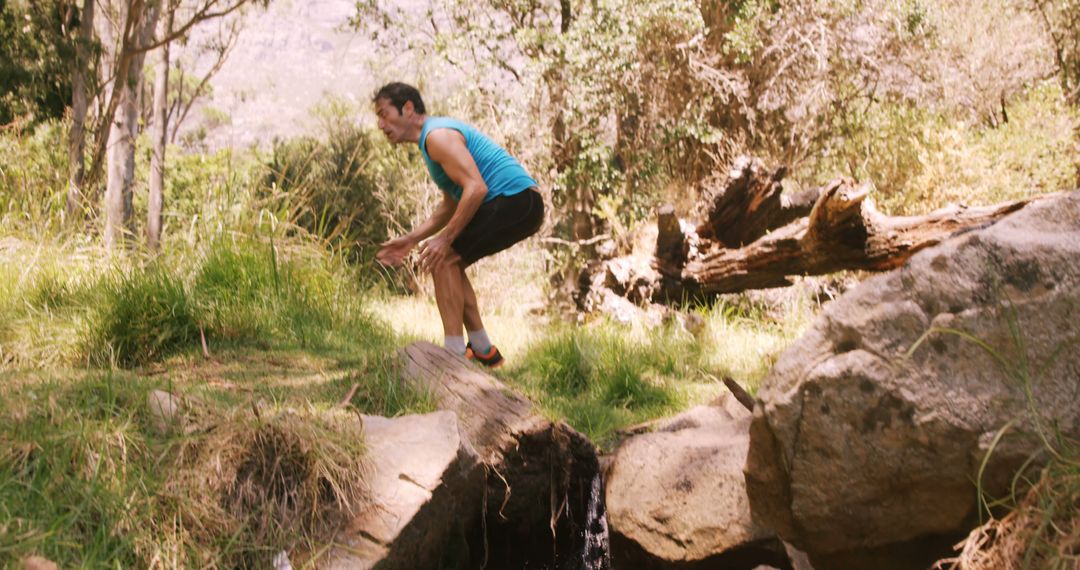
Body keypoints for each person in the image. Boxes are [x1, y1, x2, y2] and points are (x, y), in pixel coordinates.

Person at [372, 82, 544, 367]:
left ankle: (452, 357)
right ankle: (483, 349)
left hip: (514, 200)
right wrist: (411, 239)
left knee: (443, 258)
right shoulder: (432, 140)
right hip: (519, 202)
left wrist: (445, 239)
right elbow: (450, 205)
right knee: (448, 259)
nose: (380, 124)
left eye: (383, 114)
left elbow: (475, 189)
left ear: (408, 108)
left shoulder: (437, 136)